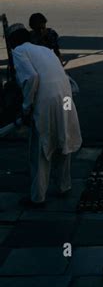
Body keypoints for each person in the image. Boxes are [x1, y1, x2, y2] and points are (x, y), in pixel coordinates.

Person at [9, 26, 82, 208]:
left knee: (41, 150)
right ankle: (64, 186)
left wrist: (26, 106)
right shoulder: (44, 50)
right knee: (62, 141)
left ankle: (38, 197)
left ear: (13, 42)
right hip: (64, 98)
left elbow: (31, 77)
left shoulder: (19, 51)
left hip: (46, 102)